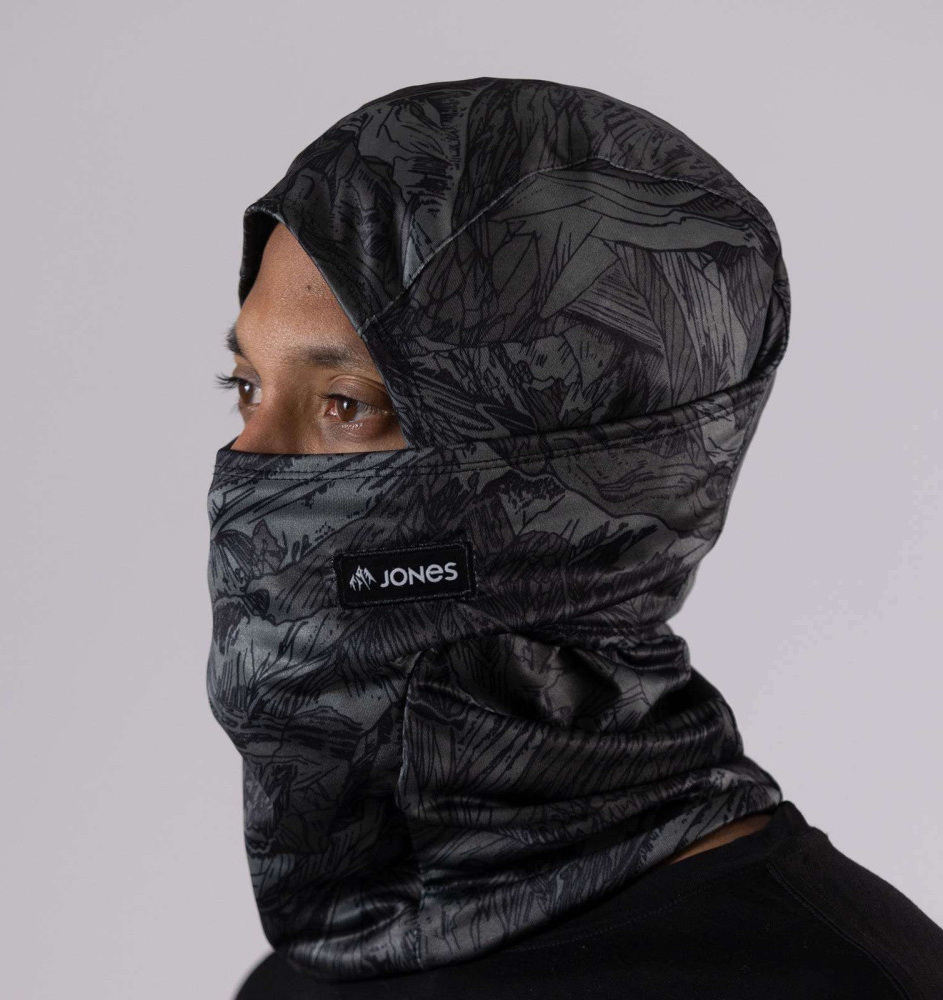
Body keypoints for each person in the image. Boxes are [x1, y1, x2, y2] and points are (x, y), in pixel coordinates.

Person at [205, 77, 943, 998]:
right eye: (245, 388)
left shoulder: (844, 980)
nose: (245, 467)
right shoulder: (307, 978)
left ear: (587, 480)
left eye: (346, 405)